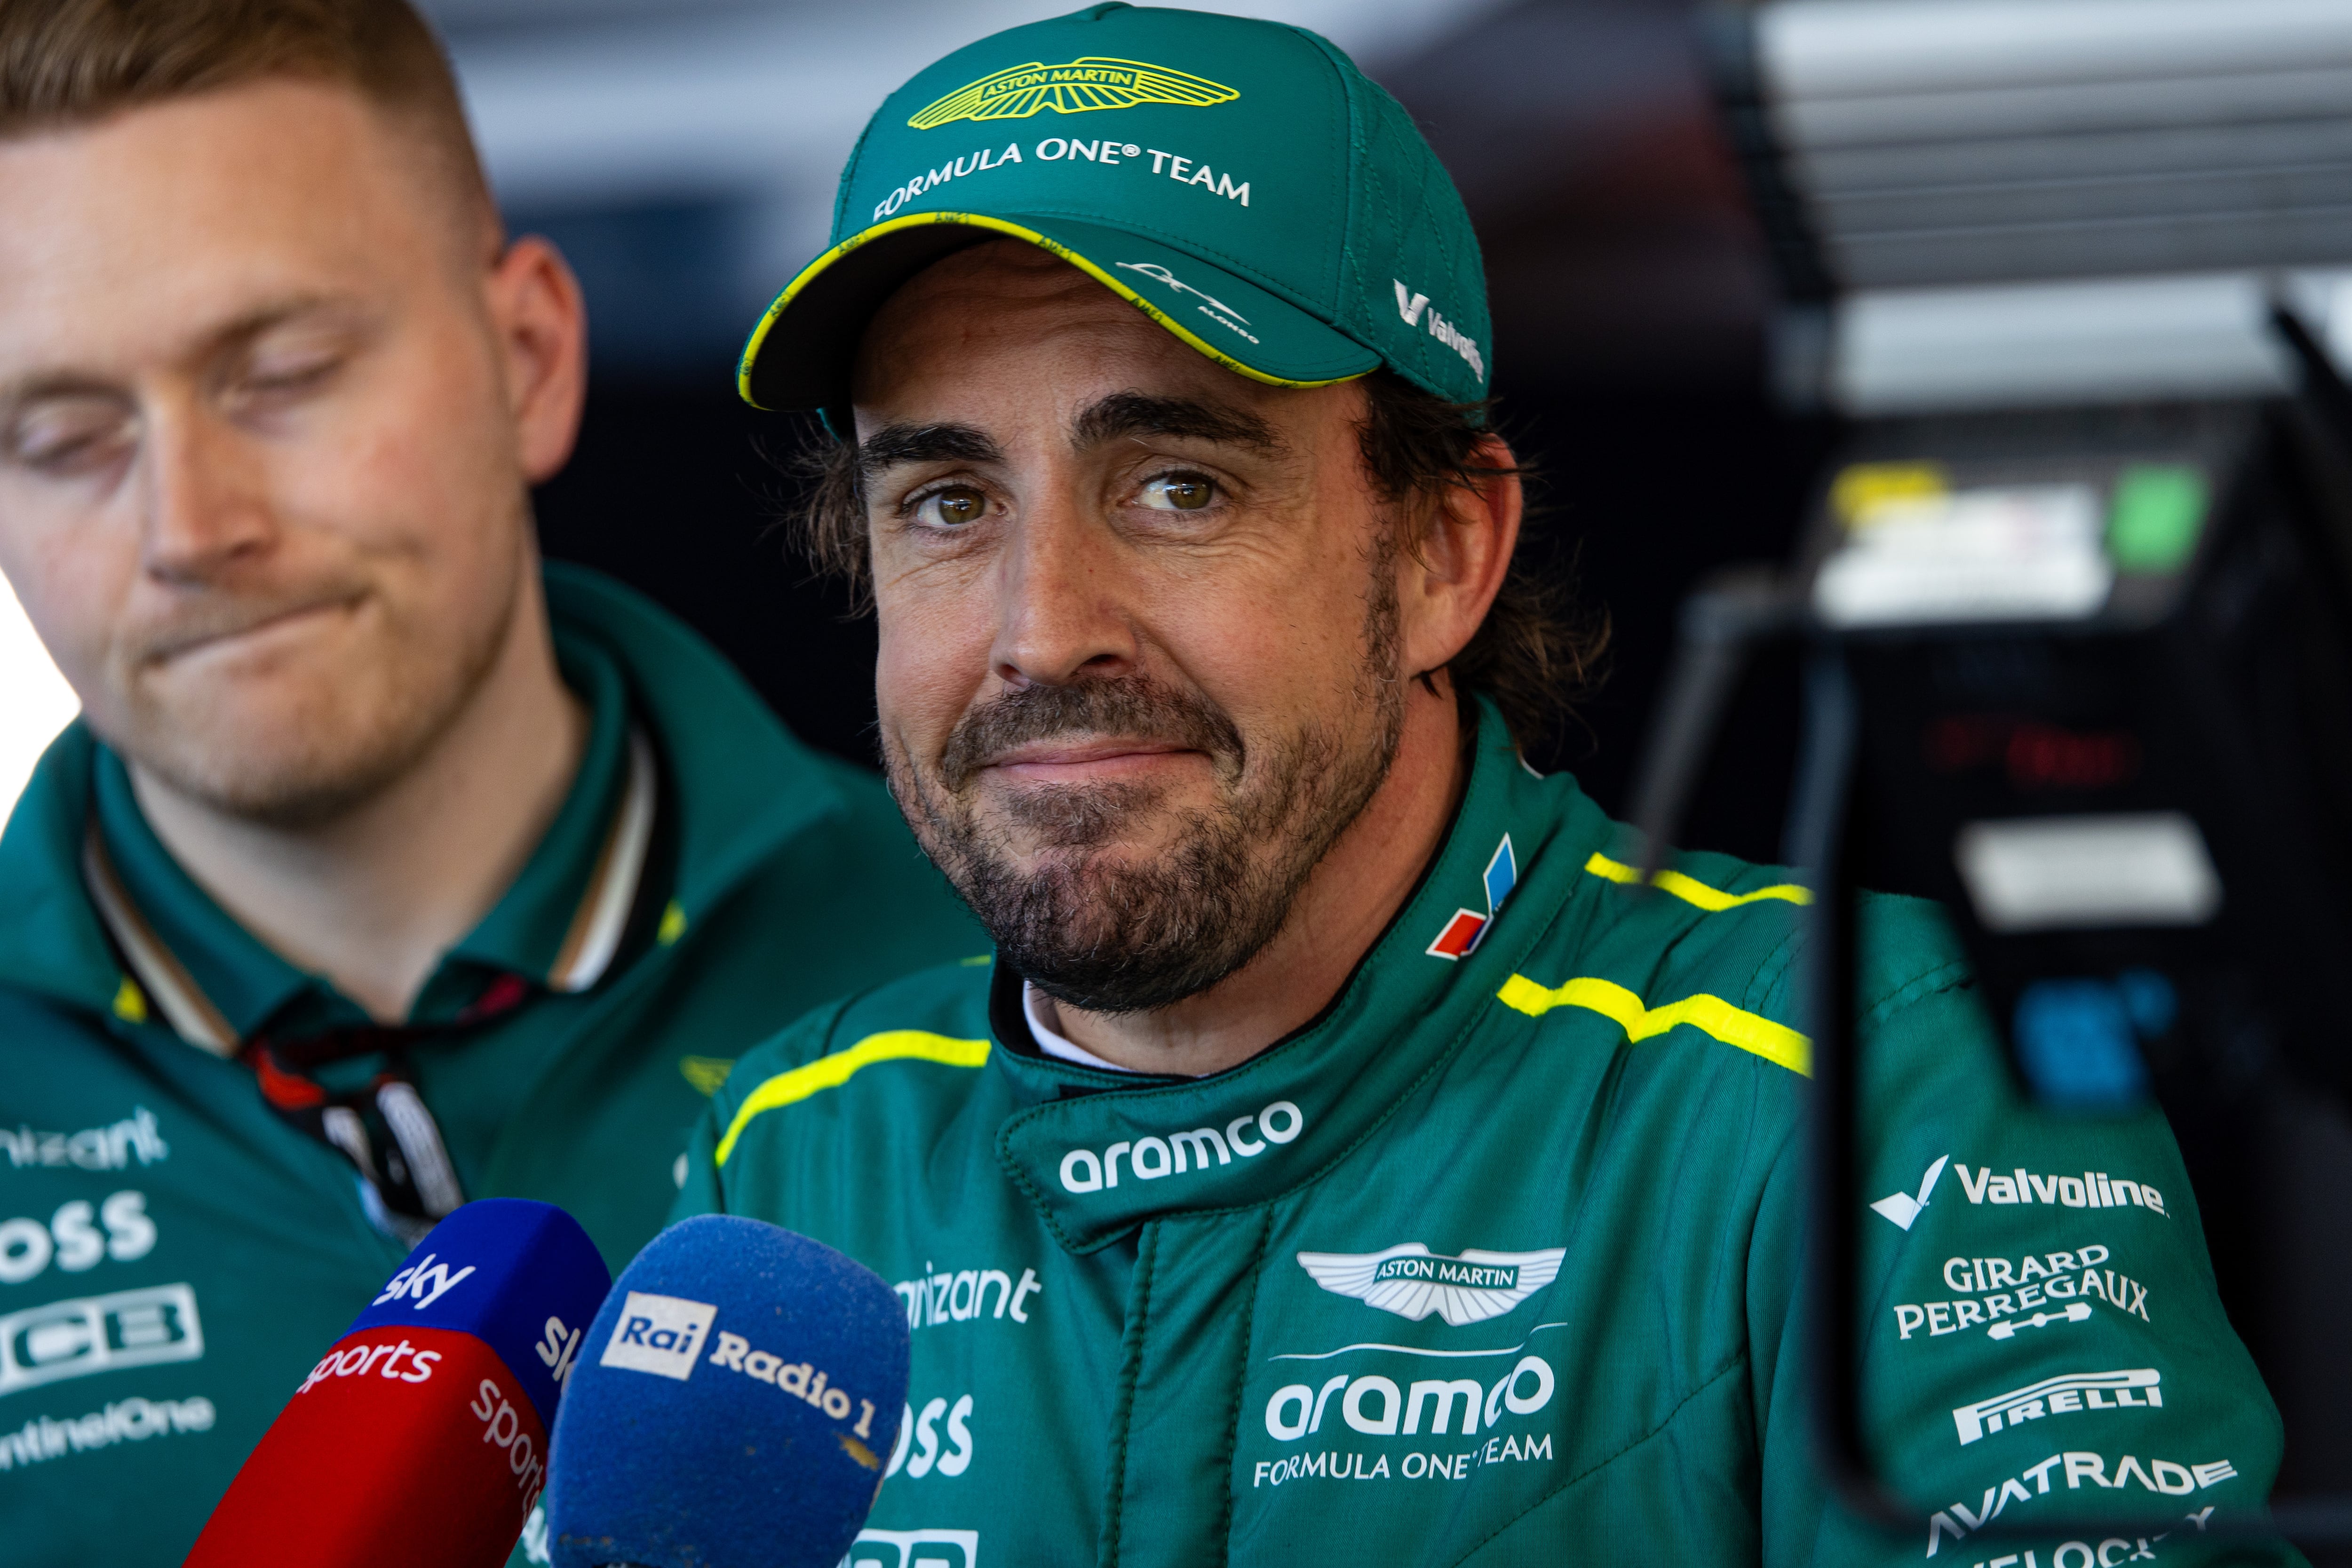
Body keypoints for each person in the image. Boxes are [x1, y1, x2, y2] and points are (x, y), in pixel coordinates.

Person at [682, 5, 2299, 1565]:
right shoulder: (786, 1157)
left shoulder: (1877, 1082)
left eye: (1178, 485)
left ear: (1447, 550)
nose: (1043, 633)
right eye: (949, 504)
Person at [0, 1, 979, 1560]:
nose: (190, 525)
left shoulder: (998, 956)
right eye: (61, 436)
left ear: (526, 360)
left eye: (284, 373)